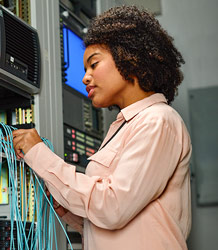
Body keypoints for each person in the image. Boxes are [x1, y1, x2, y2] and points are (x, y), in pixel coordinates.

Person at [12, 5, 191, 250]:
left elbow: (113, 207)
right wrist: (68, 210)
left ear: (131, 58)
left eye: (94, 64)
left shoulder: (158, 120)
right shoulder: (125, 127)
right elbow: (125, 225)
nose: (86, 76)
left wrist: (40, 155)